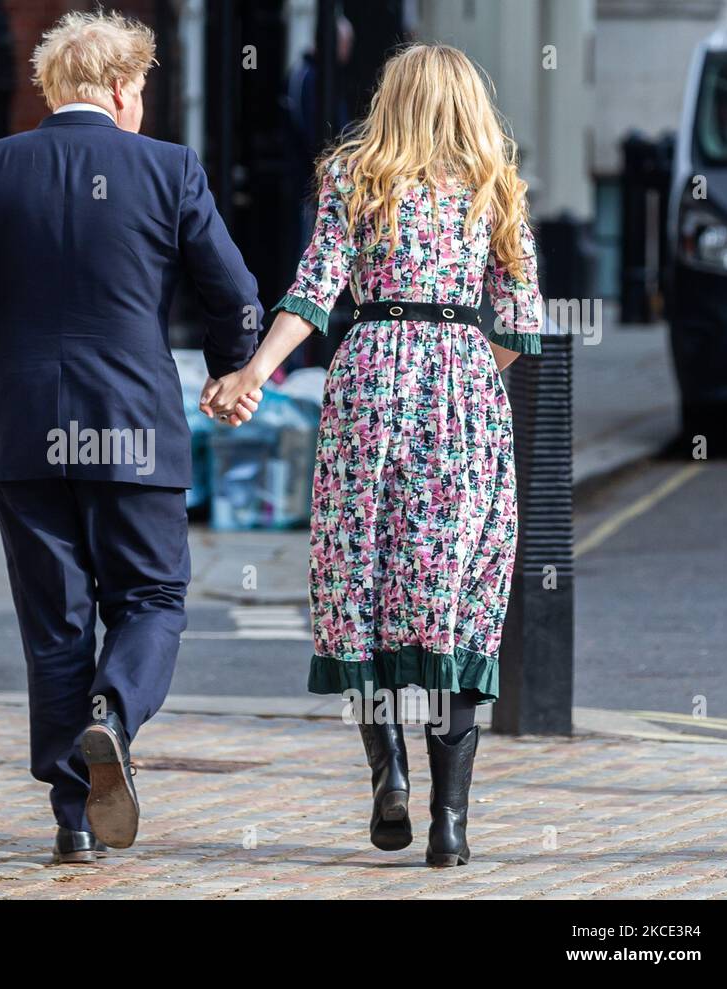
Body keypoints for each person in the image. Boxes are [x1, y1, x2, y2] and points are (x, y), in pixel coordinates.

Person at [0, 9, 263, 865]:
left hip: (23, 431)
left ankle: (73, 817)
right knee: (150, 599)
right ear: (116, 88)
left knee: (55, 621)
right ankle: (114, 710)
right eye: (140, 87)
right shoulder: (169, 170)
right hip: (134, 426)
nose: (141, 102)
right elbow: (235, 290)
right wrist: (230, 369)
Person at [202, 43, 543, 867]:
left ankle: (387, 767)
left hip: (368, 377)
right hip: (461, 385)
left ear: (391, 97)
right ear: (468, 102)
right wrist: (463, 368)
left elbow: (316, 290)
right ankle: (450, 822)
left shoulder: (355, 175)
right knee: (458, 591)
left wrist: (254, 370)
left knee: (360, 577)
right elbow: (523, 323)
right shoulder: (495, 184)